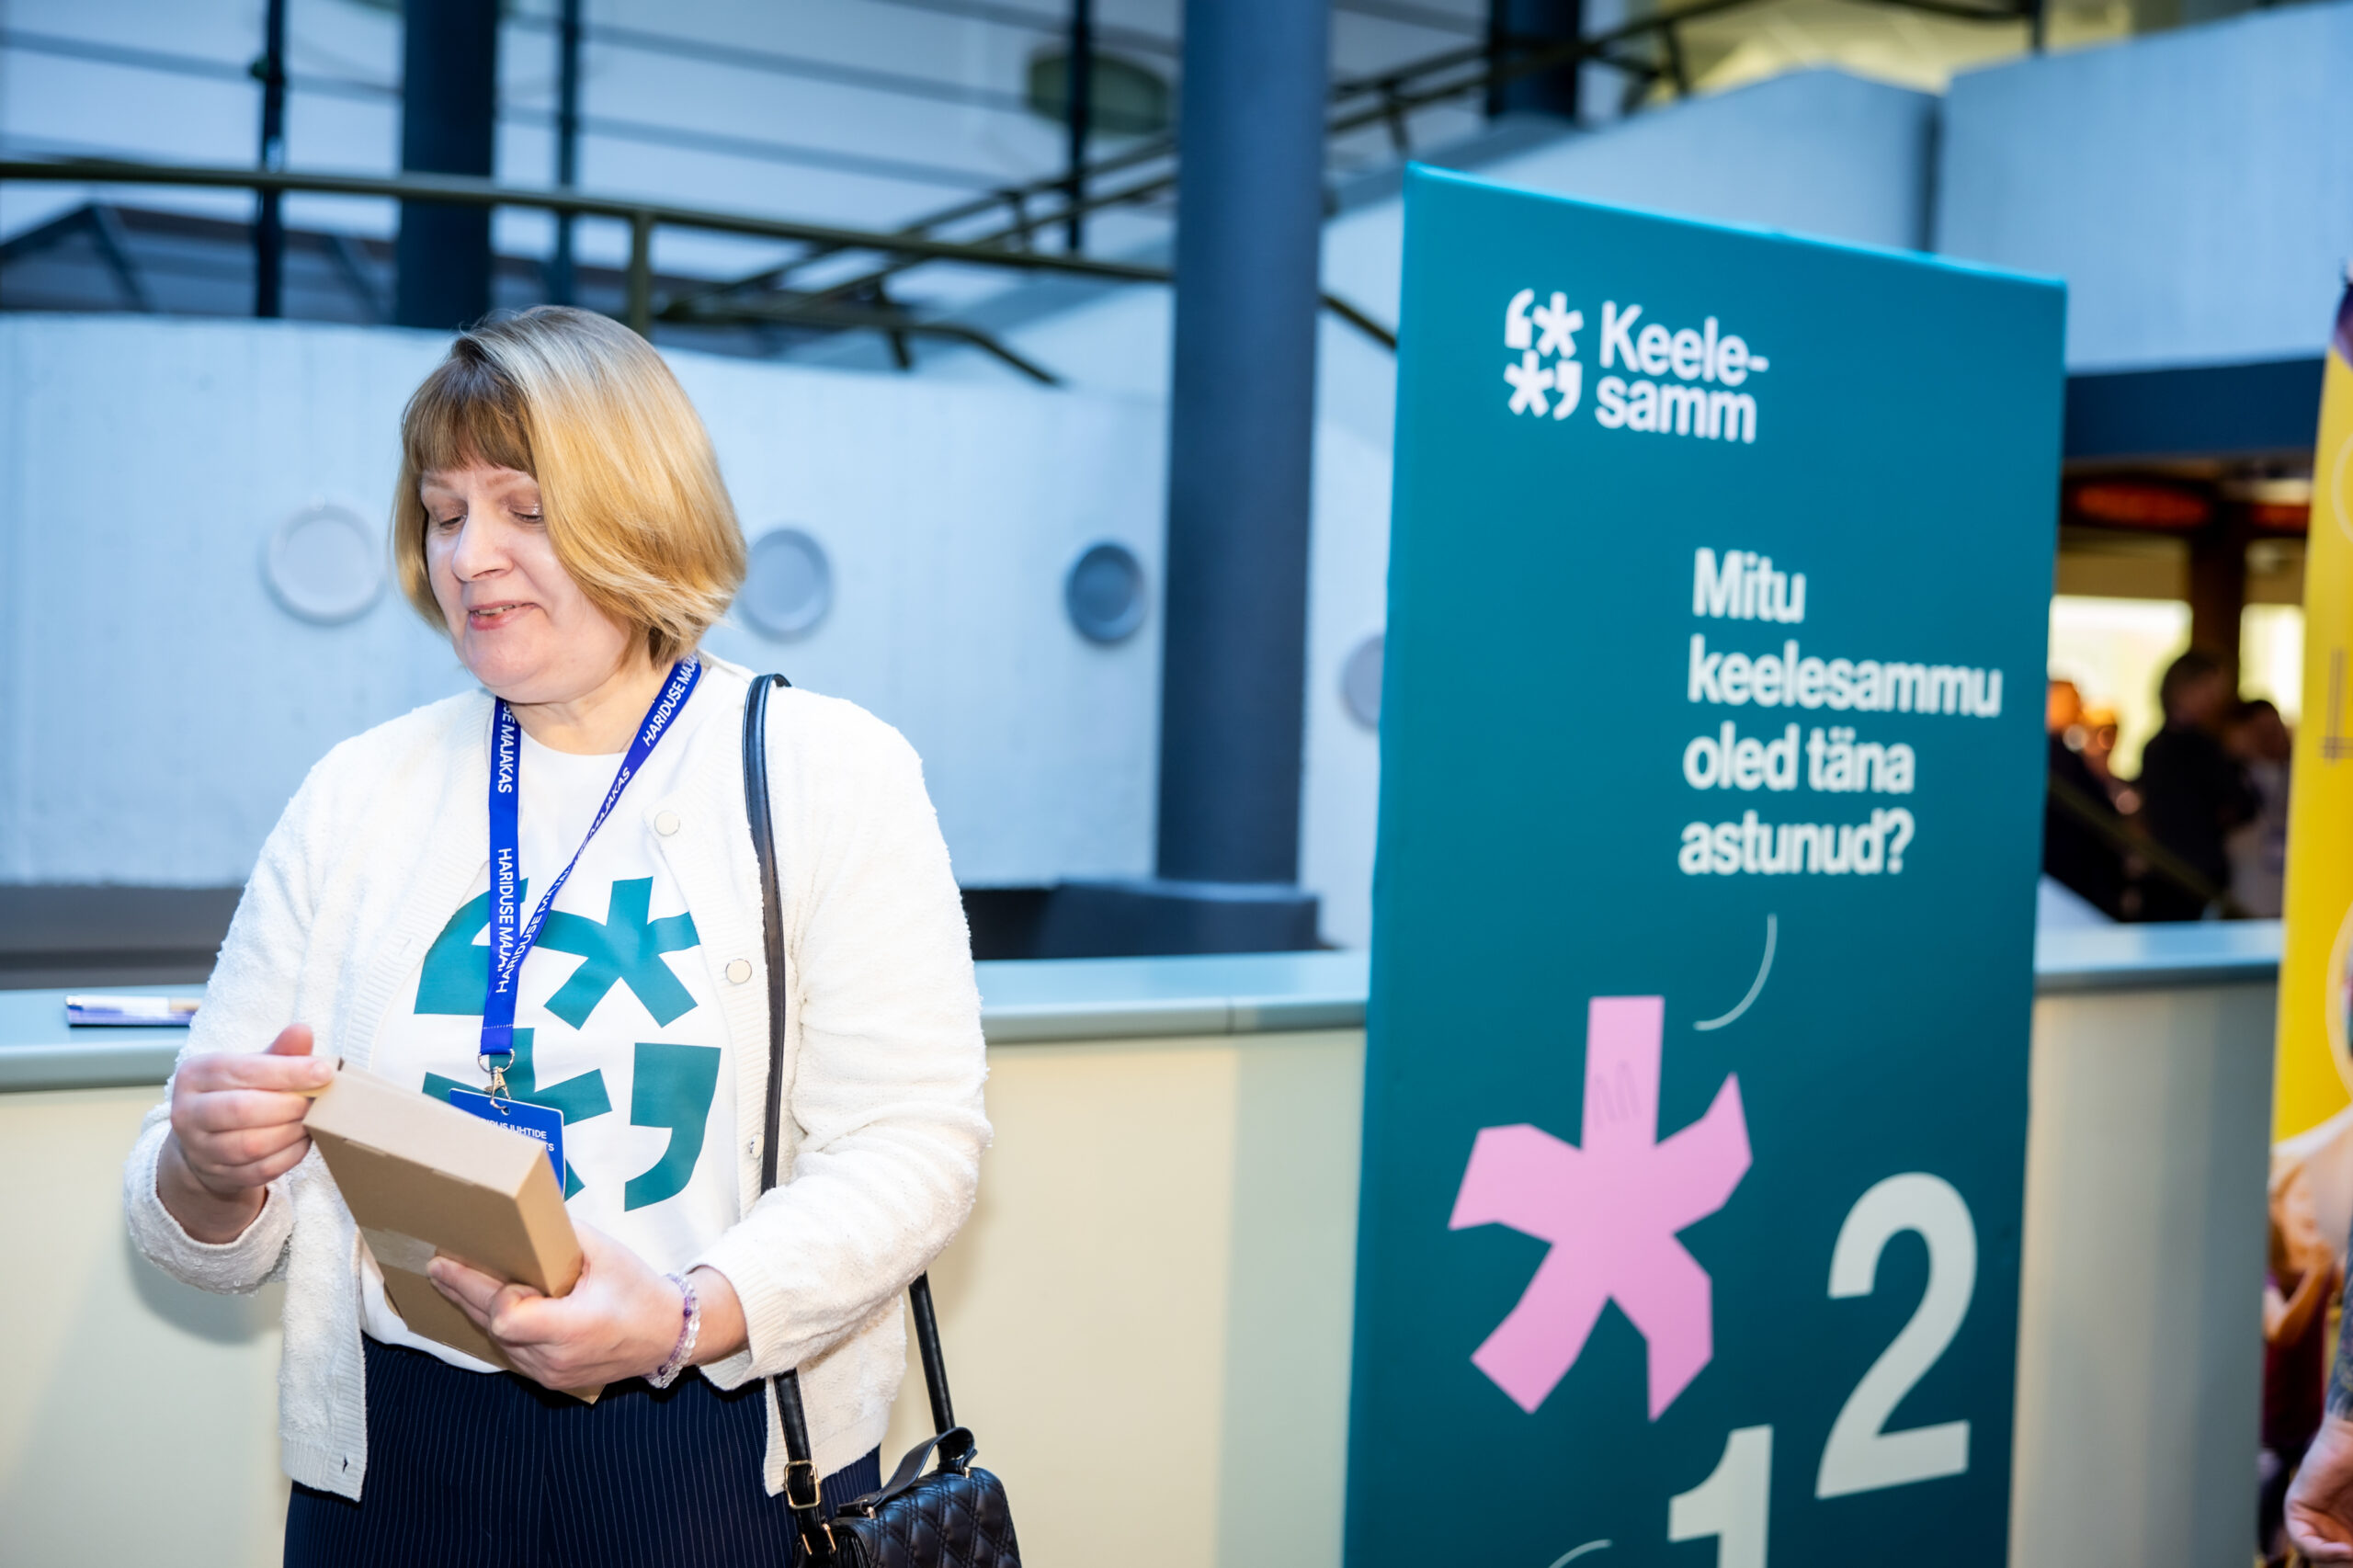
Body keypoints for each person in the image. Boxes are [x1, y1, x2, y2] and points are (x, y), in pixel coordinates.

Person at [121, 307, 990, 1566]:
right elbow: (197, 1224)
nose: (470, 555)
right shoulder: (360, 792)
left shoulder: (829, 774)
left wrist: (689, 1315)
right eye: (444, 511)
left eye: (524, 509)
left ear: (643, 513)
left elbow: (913, 1146)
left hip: (716, 1444)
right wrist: (208, 1168)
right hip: (396, 1454)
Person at [2134, 648, 2257, 920]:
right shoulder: (2197, 749)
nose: (2214, 701)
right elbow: (2240, 803)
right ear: (2183, 689)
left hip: (2183, 876)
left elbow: (2241, 805)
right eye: (2208, 691)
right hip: (2186, 877)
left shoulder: (2166, 747)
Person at [2264, 1160, 2339, 1560]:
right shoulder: (2264, 1275)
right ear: (2277, 1209)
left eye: (2320, 1200)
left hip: (2312, 1428)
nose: (2313, 1209)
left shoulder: (2328, 1271)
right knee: (2270, 1541)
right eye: (2303, 1197)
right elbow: (2282, 1330)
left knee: (2316, 1532)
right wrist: (2316, 1274)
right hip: (2267, 1434)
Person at [2042, 678, 2127, 917]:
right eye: (2073, 700)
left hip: (2076, 864)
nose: (2080, 707)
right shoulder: (2049, 754)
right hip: (2062, 867)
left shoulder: (2065, 754)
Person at [2226, 697, 2293, 919]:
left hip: (2291, 894)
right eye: (2261, 731)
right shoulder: (2230, 777)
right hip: (2248, 897)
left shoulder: (2301, 776)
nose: (2272, 737)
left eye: (2276, 727)